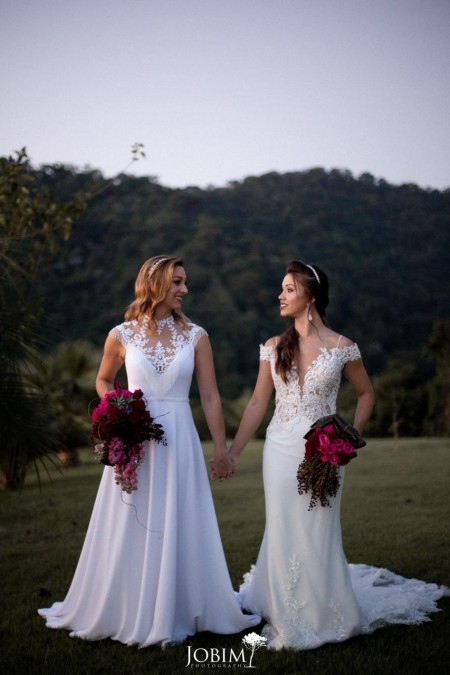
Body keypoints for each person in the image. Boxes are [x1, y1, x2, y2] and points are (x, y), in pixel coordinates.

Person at [221, 260, 449, 651]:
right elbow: (259, 402)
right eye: (282, 288)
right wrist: (233, 452)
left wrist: (350, 439)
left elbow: (366, 394)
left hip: (325, 452)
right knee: (283, 527)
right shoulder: (273, 347)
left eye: (289, 289)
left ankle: (323, 607)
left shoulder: (343, 347)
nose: (280, 295)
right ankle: (283, 606)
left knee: (319, 528)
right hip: (279, 448)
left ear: (310, 295)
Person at [38, 256, 259, 648]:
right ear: (154, 283)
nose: (184, 290)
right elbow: (104, 380)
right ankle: (124, 605)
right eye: (177, 282)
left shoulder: (197, 336)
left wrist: (221, 448)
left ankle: (183, 605)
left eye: (185, 282)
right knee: (130, 520)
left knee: (180, 518)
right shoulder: (120, 334)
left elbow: (208, 396)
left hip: (180, 439)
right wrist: (118, 409)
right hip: (134, 438)